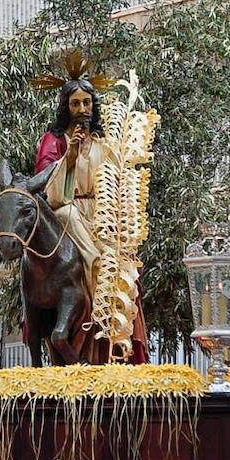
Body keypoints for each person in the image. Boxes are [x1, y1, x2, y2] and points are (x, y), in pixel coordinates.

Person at [30, 75, 148, 363]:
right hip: (67, 214)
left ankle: (112, 334)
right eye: (75, 103)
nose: (82, 109)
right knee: (94, 261)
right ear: (65, 107)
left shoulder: (103, 143)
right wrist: (70, 155)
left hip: (102, 214)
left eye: (86, 102)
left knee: (121, 267)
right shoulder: (54, 141)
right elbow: (48, 188)